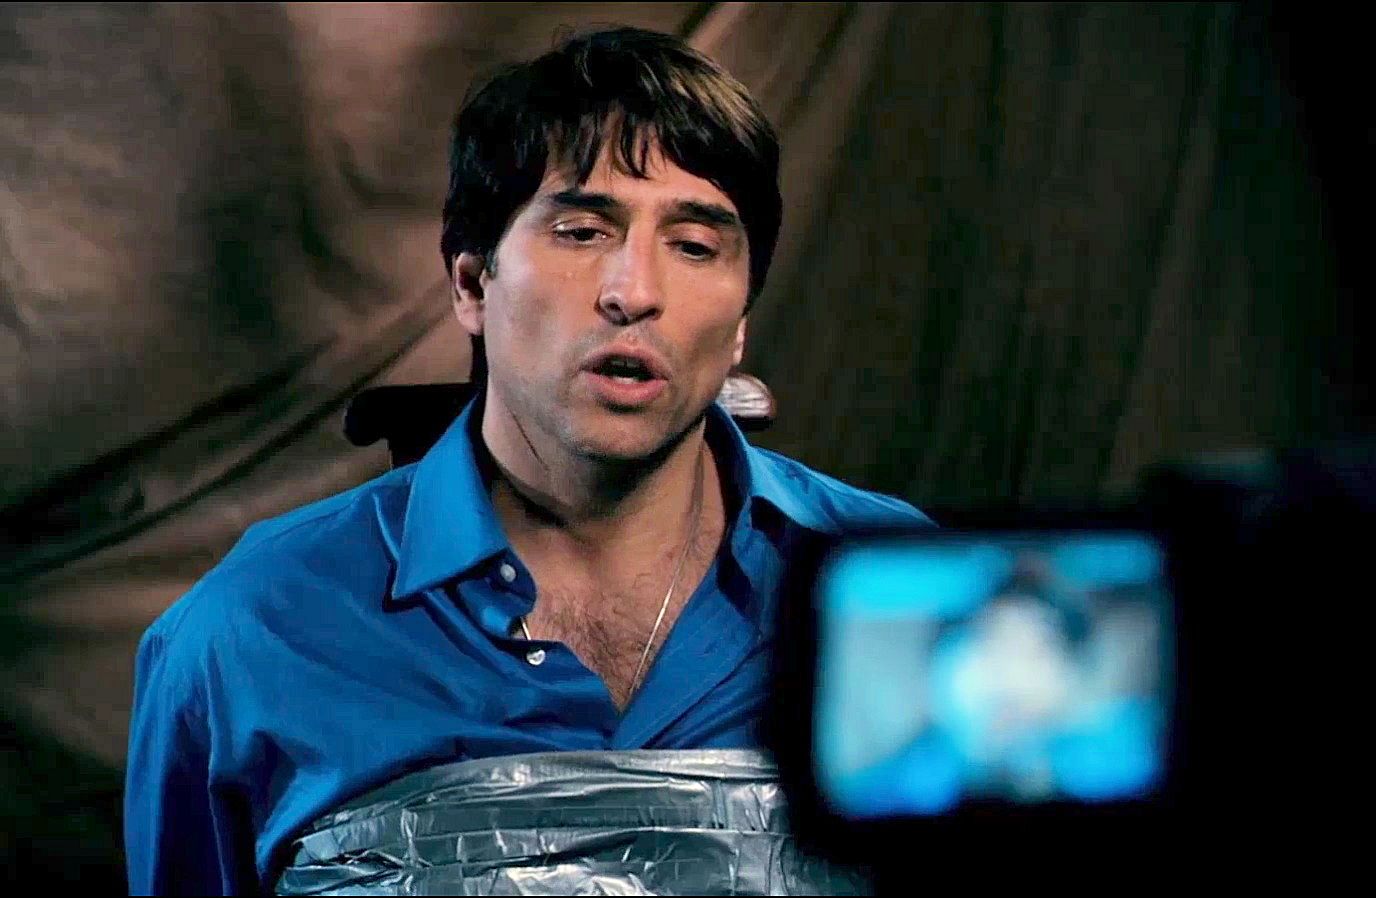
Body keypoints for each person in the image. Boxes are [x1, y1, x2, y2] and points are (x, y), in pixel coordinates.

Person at [123, 27, 930, 895]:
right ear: (472, 284)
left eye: (696, 245)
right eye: (582, 232)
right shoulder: (249, 633)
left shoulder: (910, 598)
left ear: (739, 326)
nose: (635, 292)